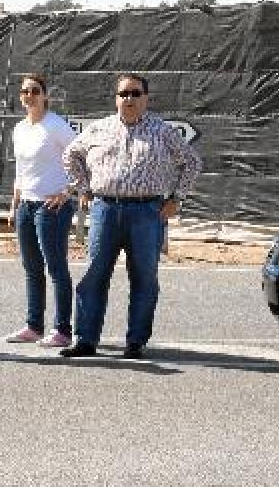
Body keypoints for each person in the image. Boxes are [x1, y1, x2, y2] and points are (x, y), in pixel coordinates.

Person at [60, 73, 202, 359]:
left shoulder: (161, 131)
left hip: (147, 212)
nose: (129, 99)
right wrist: (83, 189)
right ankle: (86, 340)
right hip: (105, 210)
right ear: (116, 98)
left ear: (146, 98)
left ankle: (136, 341)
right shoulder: (99, 129)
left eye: (135, 94)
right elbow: (70, 155)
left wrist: (177, 198)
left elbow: (192, 161)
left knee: (144, 278)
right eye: (123, 94)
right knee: (94, 275)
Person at [5, 73, 79, 348]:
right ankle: (34, 326)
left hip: (52, 207)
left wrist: (68, 191)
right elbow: (21, 170)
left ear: (46, 96)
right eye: (25, 91)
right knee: (31, 267)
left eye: (35, 91)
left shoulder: (56, 126)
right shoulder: (20, 129)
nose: (29, 96)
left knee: (56, 268)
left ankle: (62, 330)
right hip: (26, 204)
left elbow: (83, 158)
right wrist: (14, 206)